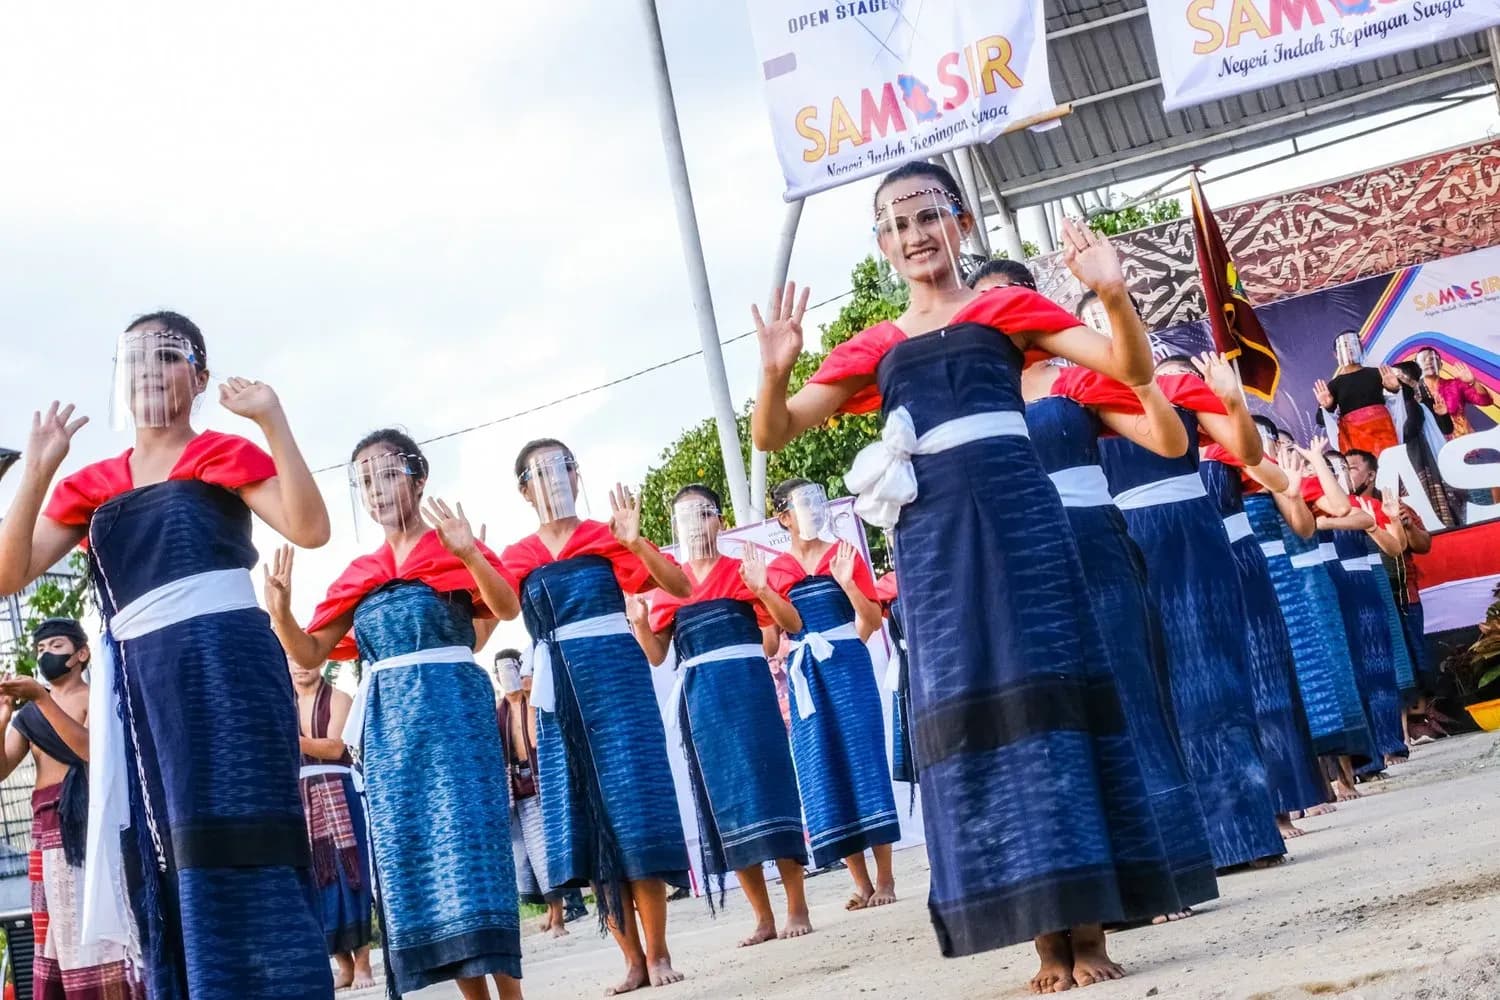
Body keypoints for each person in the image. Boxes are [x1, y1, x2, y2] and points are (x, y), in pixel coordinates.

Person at [751, 160, 1183, 993]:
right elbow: (775, 433)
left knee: (1052, 697)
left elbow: (1128, 366)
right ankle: (1040, 943)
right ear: (882, 244)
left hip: (1023, 523)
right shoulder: (876, 346)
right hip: (936, 551)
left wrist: (1116, 294)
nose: (915, 234)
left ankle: (1086, 931)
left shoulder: (1006, 308)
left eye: (928, 214)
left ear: (960, 222)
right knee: (983, 717)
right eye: (896, 222)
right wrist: (774, 371)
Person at [0, 312, 334, 1000]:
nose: (151, 370)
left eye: (170, 357)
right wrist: (35, 471)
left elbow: (310, 527)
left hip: (233, 666)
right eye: (139, 359)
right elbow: (8, 573)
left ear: (200, 378)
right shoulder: (90, 484)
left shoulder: (221, 454)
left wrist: (271, 420)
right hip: (146, 685)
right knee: (169, 848)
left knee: (251, 832)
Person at [265, 429, 524, 1000]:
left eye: (387, 474)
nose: (376, 490)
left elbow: (506, 605)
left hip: (457, 719)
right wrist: (281, 614)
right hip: (392, 736)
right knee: (423, 861)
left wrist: (470, 553)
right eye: (364, 481)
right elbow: (309, 652)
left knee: (473, 853)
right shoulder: (359, 573)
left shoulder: (451, 549)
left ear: (418, 478)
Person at [1020, 341, 1221, 915]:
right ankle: (1089, 896)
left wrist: (1139, 377)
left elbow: (1169, 442)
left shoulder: (1079, 382)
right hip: (1020, 562)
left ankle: (1166, 873)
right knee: (1057, 718)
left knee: (1131, 695)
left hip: (1096, 545)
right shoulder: (974, 393)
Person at [499, 439, 693, 996]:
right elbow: (498, 613)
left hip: (619, 683)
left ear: (576, 476)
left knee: (634, 811)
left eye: (562, 468)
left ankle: (658, 951)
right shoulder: (516, 558)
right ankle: (630, 959)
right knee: (583, 822)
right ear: (524, 490)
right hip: (559, 695)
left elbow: (680, 587)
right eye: (540, 473)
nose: (554, 481)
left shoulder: (609, 535)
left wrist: (637, 543)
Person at [1097, 354, 1286, 872]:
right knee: (1155, 692)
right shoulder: (1077, 391)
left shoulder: (1178, 386)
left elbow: (1247, 453)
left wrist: (1230, 398)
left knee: (1219, 679)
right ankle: (1190, 846)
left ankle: (1248, 834)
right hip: (1123, 543)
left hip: (1192, 535)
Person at [628, 484, 812, 947]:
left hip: (749, 694)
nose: (697, 524)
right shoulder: (667, 585)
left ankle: (797, 906)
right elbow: (656, 656)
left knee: (772, 792)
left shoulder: (744, 569)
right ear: (676, 527)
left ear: (720, 520)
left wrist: (762, 590)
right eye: (687, 517)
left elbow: (782, 633)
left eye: (704, 514)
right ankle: (763, 917)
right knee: (725, 807)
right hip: (703, 705)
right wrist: (637, 622)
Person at [1183, 365, 1328, 840]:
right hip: (1185, 569)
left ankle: (1280, 805)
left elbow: (1288, 494)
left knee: (1263, 684)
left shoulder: (1227, 449)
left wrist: (1291, 478)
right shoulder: (1139, 444)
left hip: (1241, 566)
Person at [761, 481, 899, 914]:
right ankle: (859, 881)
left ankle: (886, 876)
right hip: (807, 670)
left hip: (849, 664)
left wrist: (848, 583)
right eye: (801, 504)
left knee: (864, 760)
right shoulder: (777, 569)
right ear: (784, 517)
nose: (811, 510)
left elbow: (873, 619)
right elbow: (789, 626)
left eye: (815, 501)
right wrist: (765, 591)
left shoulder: (844, 553)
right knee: (823, 767)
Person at [0, 619, 143, 1000]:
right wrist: (2, 721)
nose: (46, 653)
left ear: (81, 654)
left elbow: (90, 751)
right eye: (41, 649)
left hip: (87, 824)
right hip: (44, 829)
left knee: (95, 922)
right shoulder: (27, 716)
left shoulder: (96, 697)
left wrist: (42, 698)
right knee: (57, 932)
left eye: (56, 645)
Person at [288, 658, 374, 990]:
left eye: (305, 660)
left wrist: (289, 737)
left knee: (351, 873)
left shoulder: (339, 698)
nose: (299, 668)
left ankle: (364, 962)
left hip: (338, 788)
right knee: (317, 879)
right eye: (292, 662)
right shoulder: (284, 702)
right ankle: (344, 965)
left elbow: (334, 747)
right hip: (301, 796)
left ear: (320, 662)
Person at [1318, 453, 1407, 769]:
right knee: (1350, 672)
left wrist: (1388, 519)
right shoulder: (1314, 499)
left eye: (1342, 468)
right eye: (1331, 469)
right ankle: (1365, 755)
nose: (1339, 473)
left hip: (1363, 584)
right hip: (1329, 585)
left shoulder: (1365, 505)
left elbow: (1395, 547)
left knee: (1379, 667)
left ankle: (1391, 743)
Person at [492, 648, 566, 938]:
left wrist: (529, 692)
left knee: (543, 849)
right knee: (526, 856)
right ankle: (551, 912)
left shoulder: (535, 702)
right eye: (502, 671)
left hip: (541, 782)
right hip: (514, 788)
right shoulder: (497, 712)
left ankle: (559, 916)